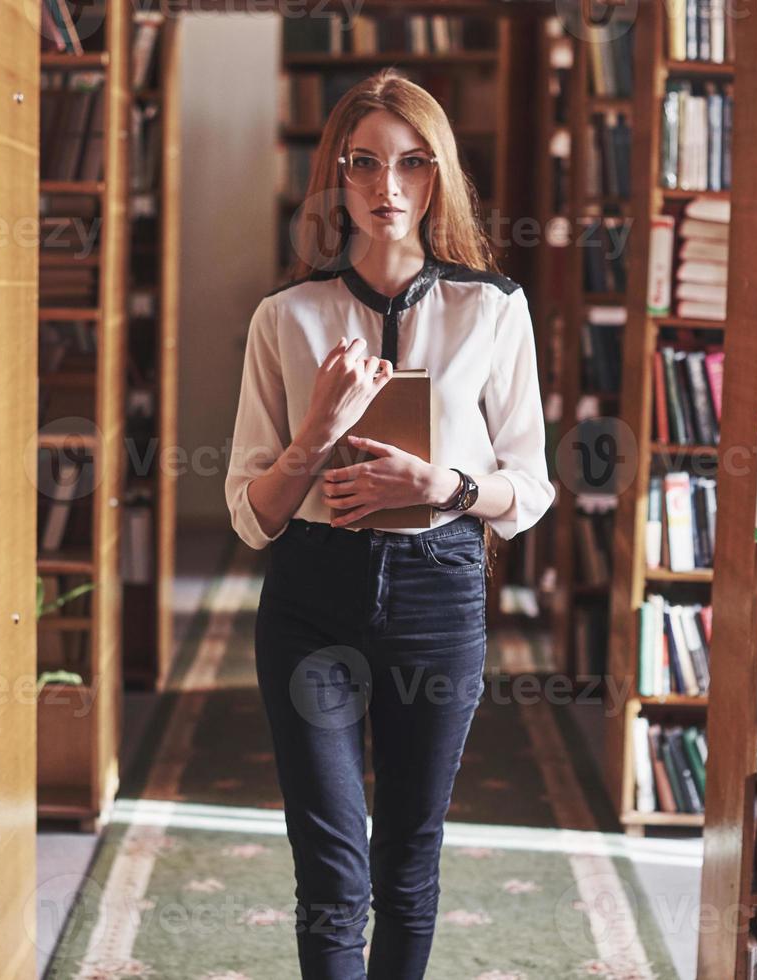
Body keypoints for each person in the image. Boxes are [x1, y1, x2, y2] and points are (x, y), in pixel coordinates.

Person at [223, 68, 554, 979]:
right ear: (336, 175)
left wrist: (445, 484)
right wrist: (315, 436)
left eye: (411, 164)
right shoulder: (284, 318)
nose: (387, 188)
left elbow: (529, 486)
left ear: (439, 174)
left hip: (439, 594)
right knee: (330, 870)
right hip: (310, 603)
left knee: (409, 852)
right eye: (363, 164)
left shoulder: (492, 309)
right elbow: (251, 518)